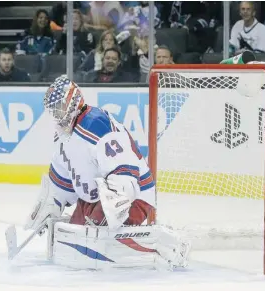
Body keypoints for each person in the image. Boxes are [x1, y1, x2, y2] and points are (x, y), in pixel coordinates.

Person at [25, 76, 191, 270]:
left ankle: (163, 247)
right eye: (52, 110)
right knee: (73, 240)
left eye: (58, 108)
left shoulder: (96, 123)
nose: (55, 114)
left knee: (92, 244)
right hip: (94, 199)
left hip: (131, 197)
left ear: (72, 103)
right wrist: (51, 204)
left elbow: (124, 168)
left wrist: (117, 200)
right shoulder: (63, 135)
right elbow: (61, 181)